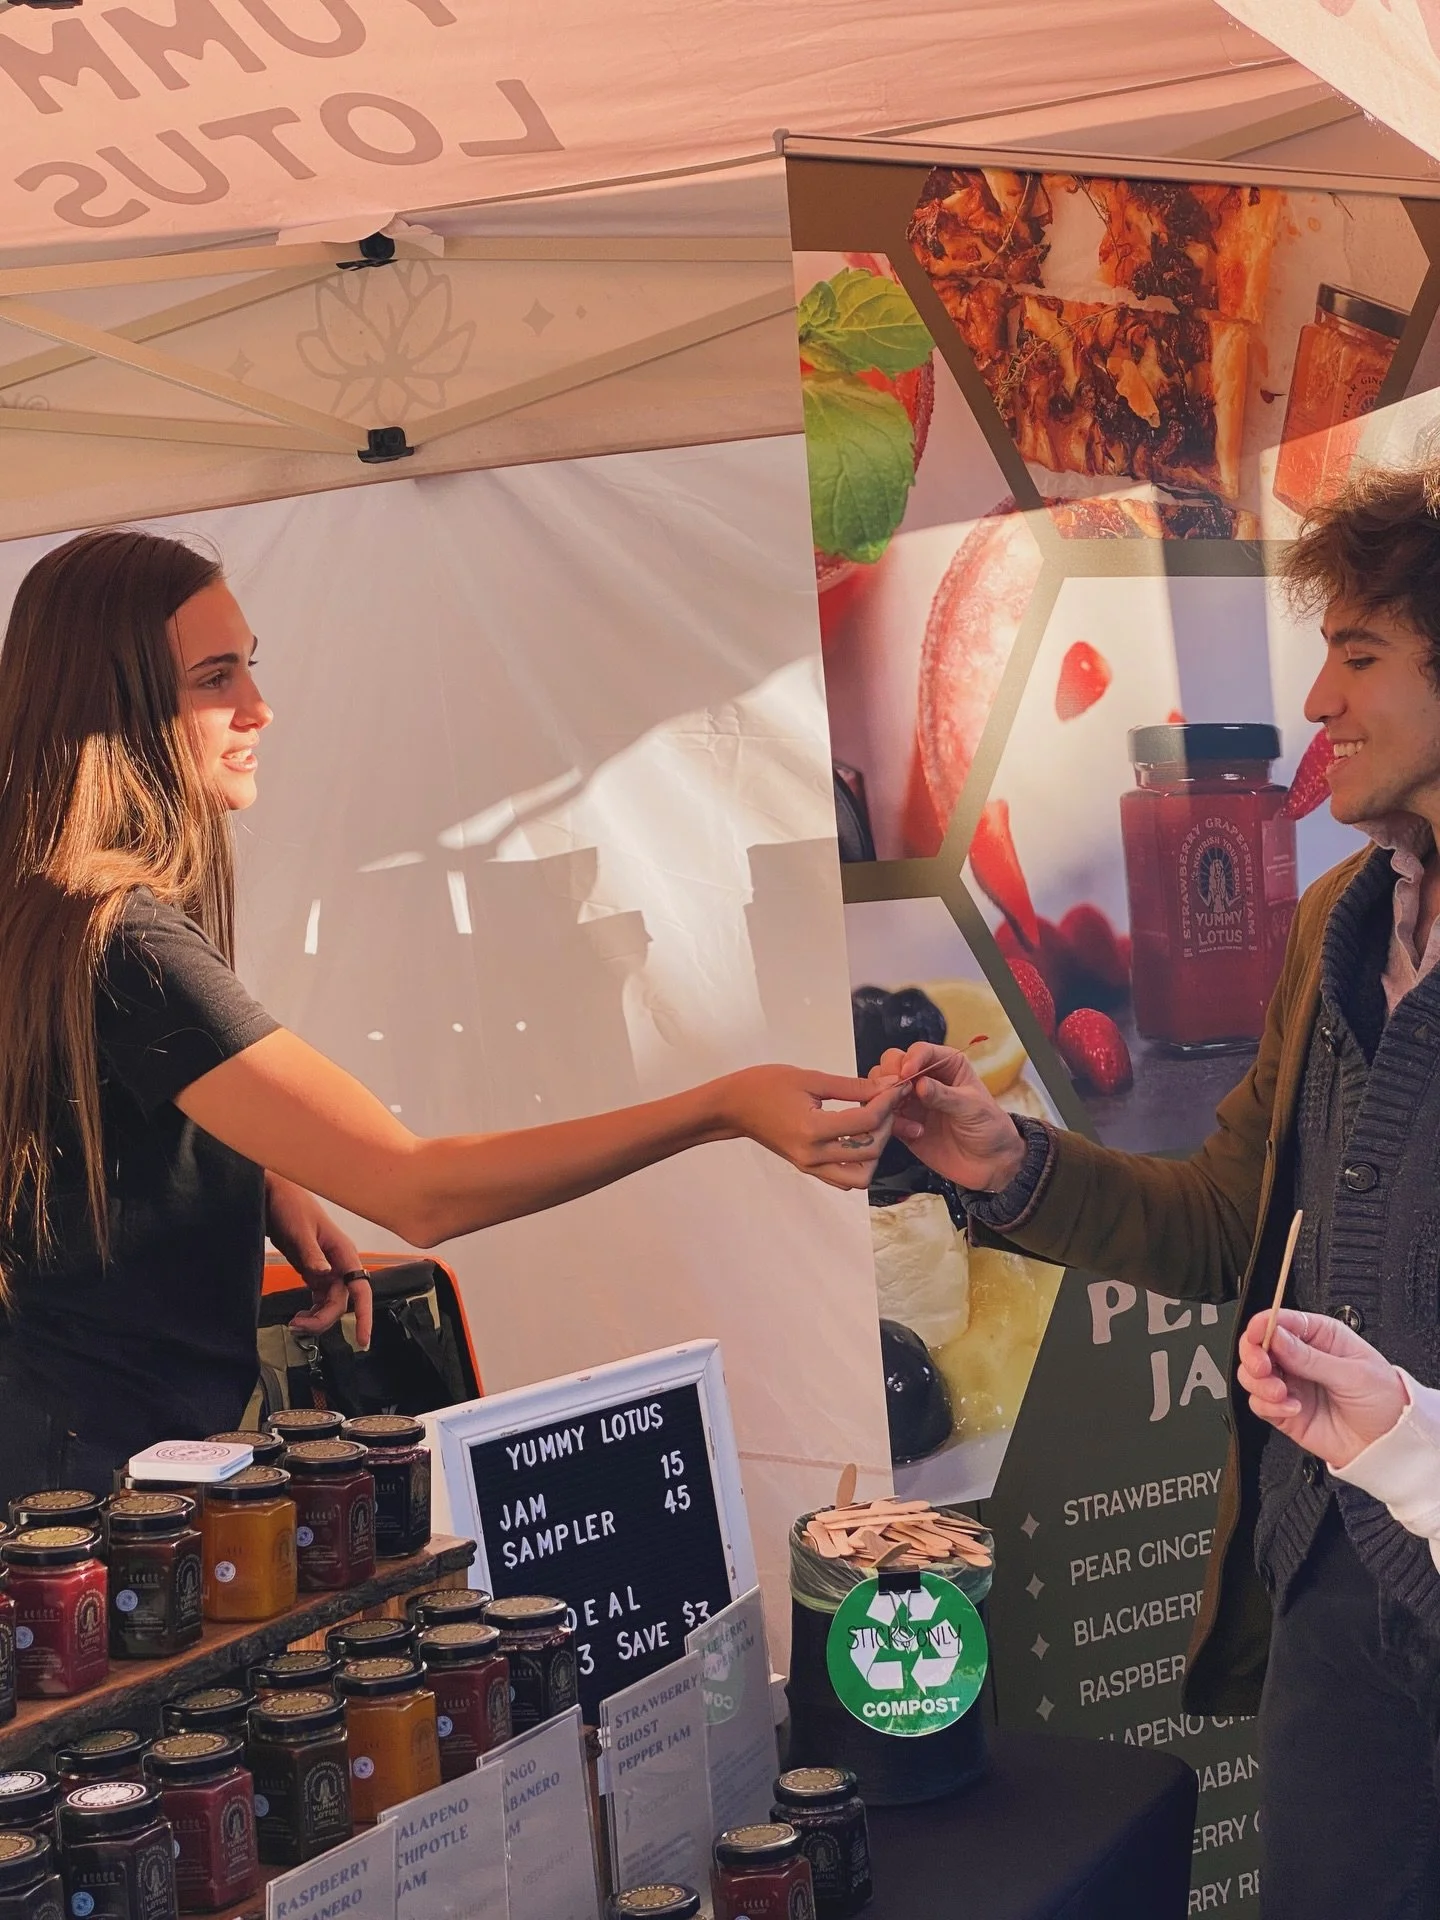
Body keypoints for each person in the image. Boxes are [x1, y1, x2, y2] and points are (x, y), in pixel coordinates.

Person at [0, 527, 897, 1504]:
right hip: (95, 1508)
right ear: (117, 706)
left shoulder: (46, 908)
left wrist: (256, 1182)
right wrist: (721, 1107)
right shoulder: (127, 943)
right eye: (216, 678)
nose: (260, 707)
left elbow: (88, 1128)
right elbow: (419, 1191)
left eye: (249, 667)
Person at [871, 463, 1440, 1919]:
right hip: (1331, 1605)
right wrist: (1012, 1167)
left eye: (1359, 656)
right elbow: (1224, 1219)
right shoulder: (1334, 920)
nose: (1318, 704)